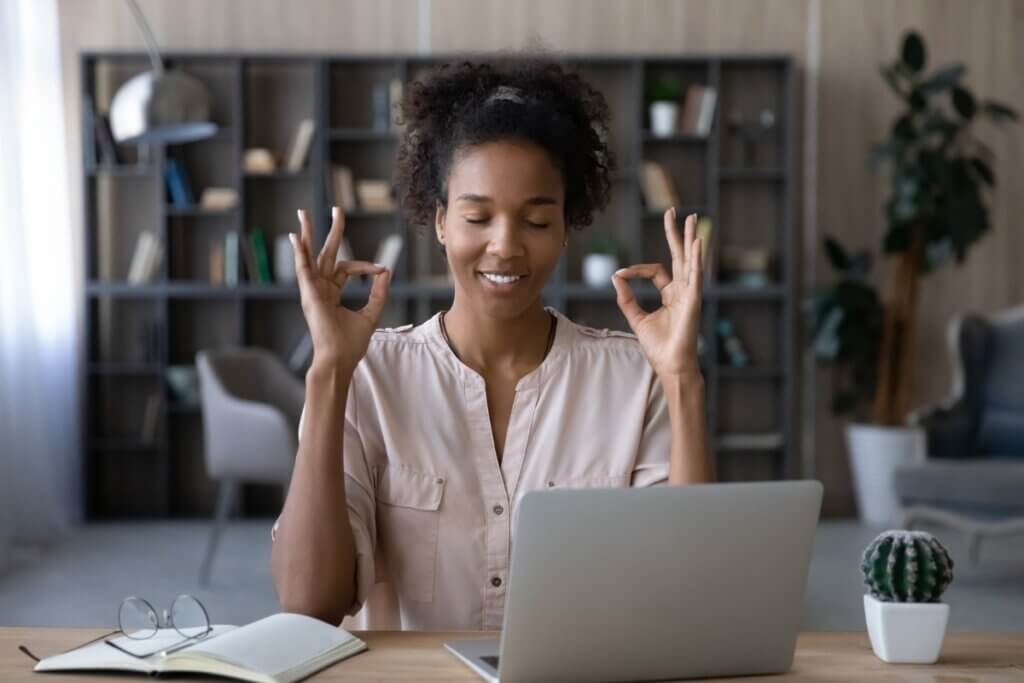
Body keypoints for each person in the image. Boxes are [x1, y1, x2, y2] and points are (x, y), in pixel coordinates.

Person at [270, 56, 713, 631]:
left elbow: (688, 595)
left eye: (535, 221)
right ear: (440, 222)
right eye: (478, 217)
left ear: (565, 228)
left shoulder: (635, 377)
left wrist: (682, 378)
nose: (505, 247)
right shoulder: (366, 375)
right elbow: (310, 603)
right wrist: (329, 370)